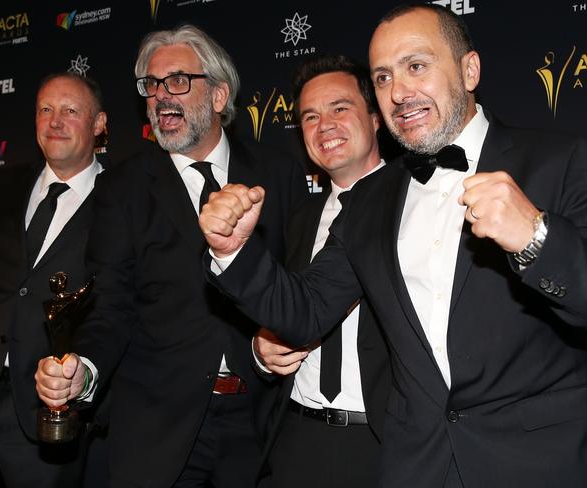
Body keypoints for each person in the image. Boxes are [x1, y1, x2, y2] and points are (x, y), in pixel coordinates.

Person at [198, 4, 587, 488]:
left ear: (470, 70)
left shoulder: (560, 161)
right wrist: (233, 251)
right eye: (383, 78)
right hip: (415, 466)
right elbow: (306, 310)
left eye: (416, 66)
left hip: (535, 465)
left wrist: (537, 239)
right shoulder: (371, 200)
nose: (400, 93)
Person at [34, 24, 307, 488]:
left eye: (177, 80)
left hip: (261, 425)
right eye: (151, 85)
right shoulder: (122, 188)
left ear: (219, 96)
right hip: (157, 432)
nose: (161, 96)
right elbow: (110, 307)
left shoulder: (278, 172)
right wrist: (86, 371)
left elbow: (300, 284)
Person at [0, 71, 107, 487]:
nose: (55, 121)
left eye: (70, 110)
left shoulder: (121, 198)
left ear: (99, 123)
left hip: (50, 414)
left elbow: (117, 310)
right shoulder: (2, 184)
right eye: (45, 110)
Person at [253, 54, 390, 488]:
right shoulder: (298, 219)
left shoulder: (416, 205)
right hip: (295, 437)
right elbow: (279, 306)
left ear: (377, 118)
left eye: (340, 108)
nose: (324, 125)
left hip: (383, 443)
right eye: (310, 116)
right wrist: (261, 347)